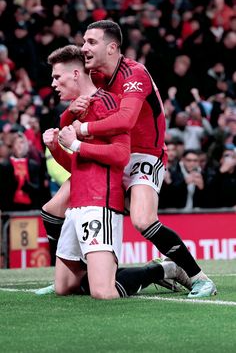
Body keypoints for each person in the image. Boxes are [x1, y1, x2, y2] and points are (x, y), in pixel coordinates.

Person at [61, 20, 216, 298]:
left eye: (91, 42)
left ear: (112, 47)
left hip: (145, 153)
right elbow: (69, 96)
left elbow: (125, 119)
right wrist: (72, 112)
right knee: (59, 204)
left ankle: (198, 277)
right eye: (83, 41)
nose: (84, 47)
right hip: (112, 150)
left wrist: (81, 131)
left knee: (143, 219)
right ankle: (68, 278)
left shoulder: (135, 73)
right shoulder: (92, 75)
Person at [40, 45, 191, 298]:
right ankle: (99, 274)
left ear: (76, 74)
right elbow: (76, 168)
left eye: (57, 77)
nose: (53, 83)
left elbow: (121, 155)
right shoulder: (75, 112)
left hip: (100, 201)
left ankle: (164, 270)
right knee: (65, 288)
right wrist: (57, 146)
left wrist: (76, 142)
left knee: (103, 292)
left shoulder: (109, 103)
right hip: (77, 202)